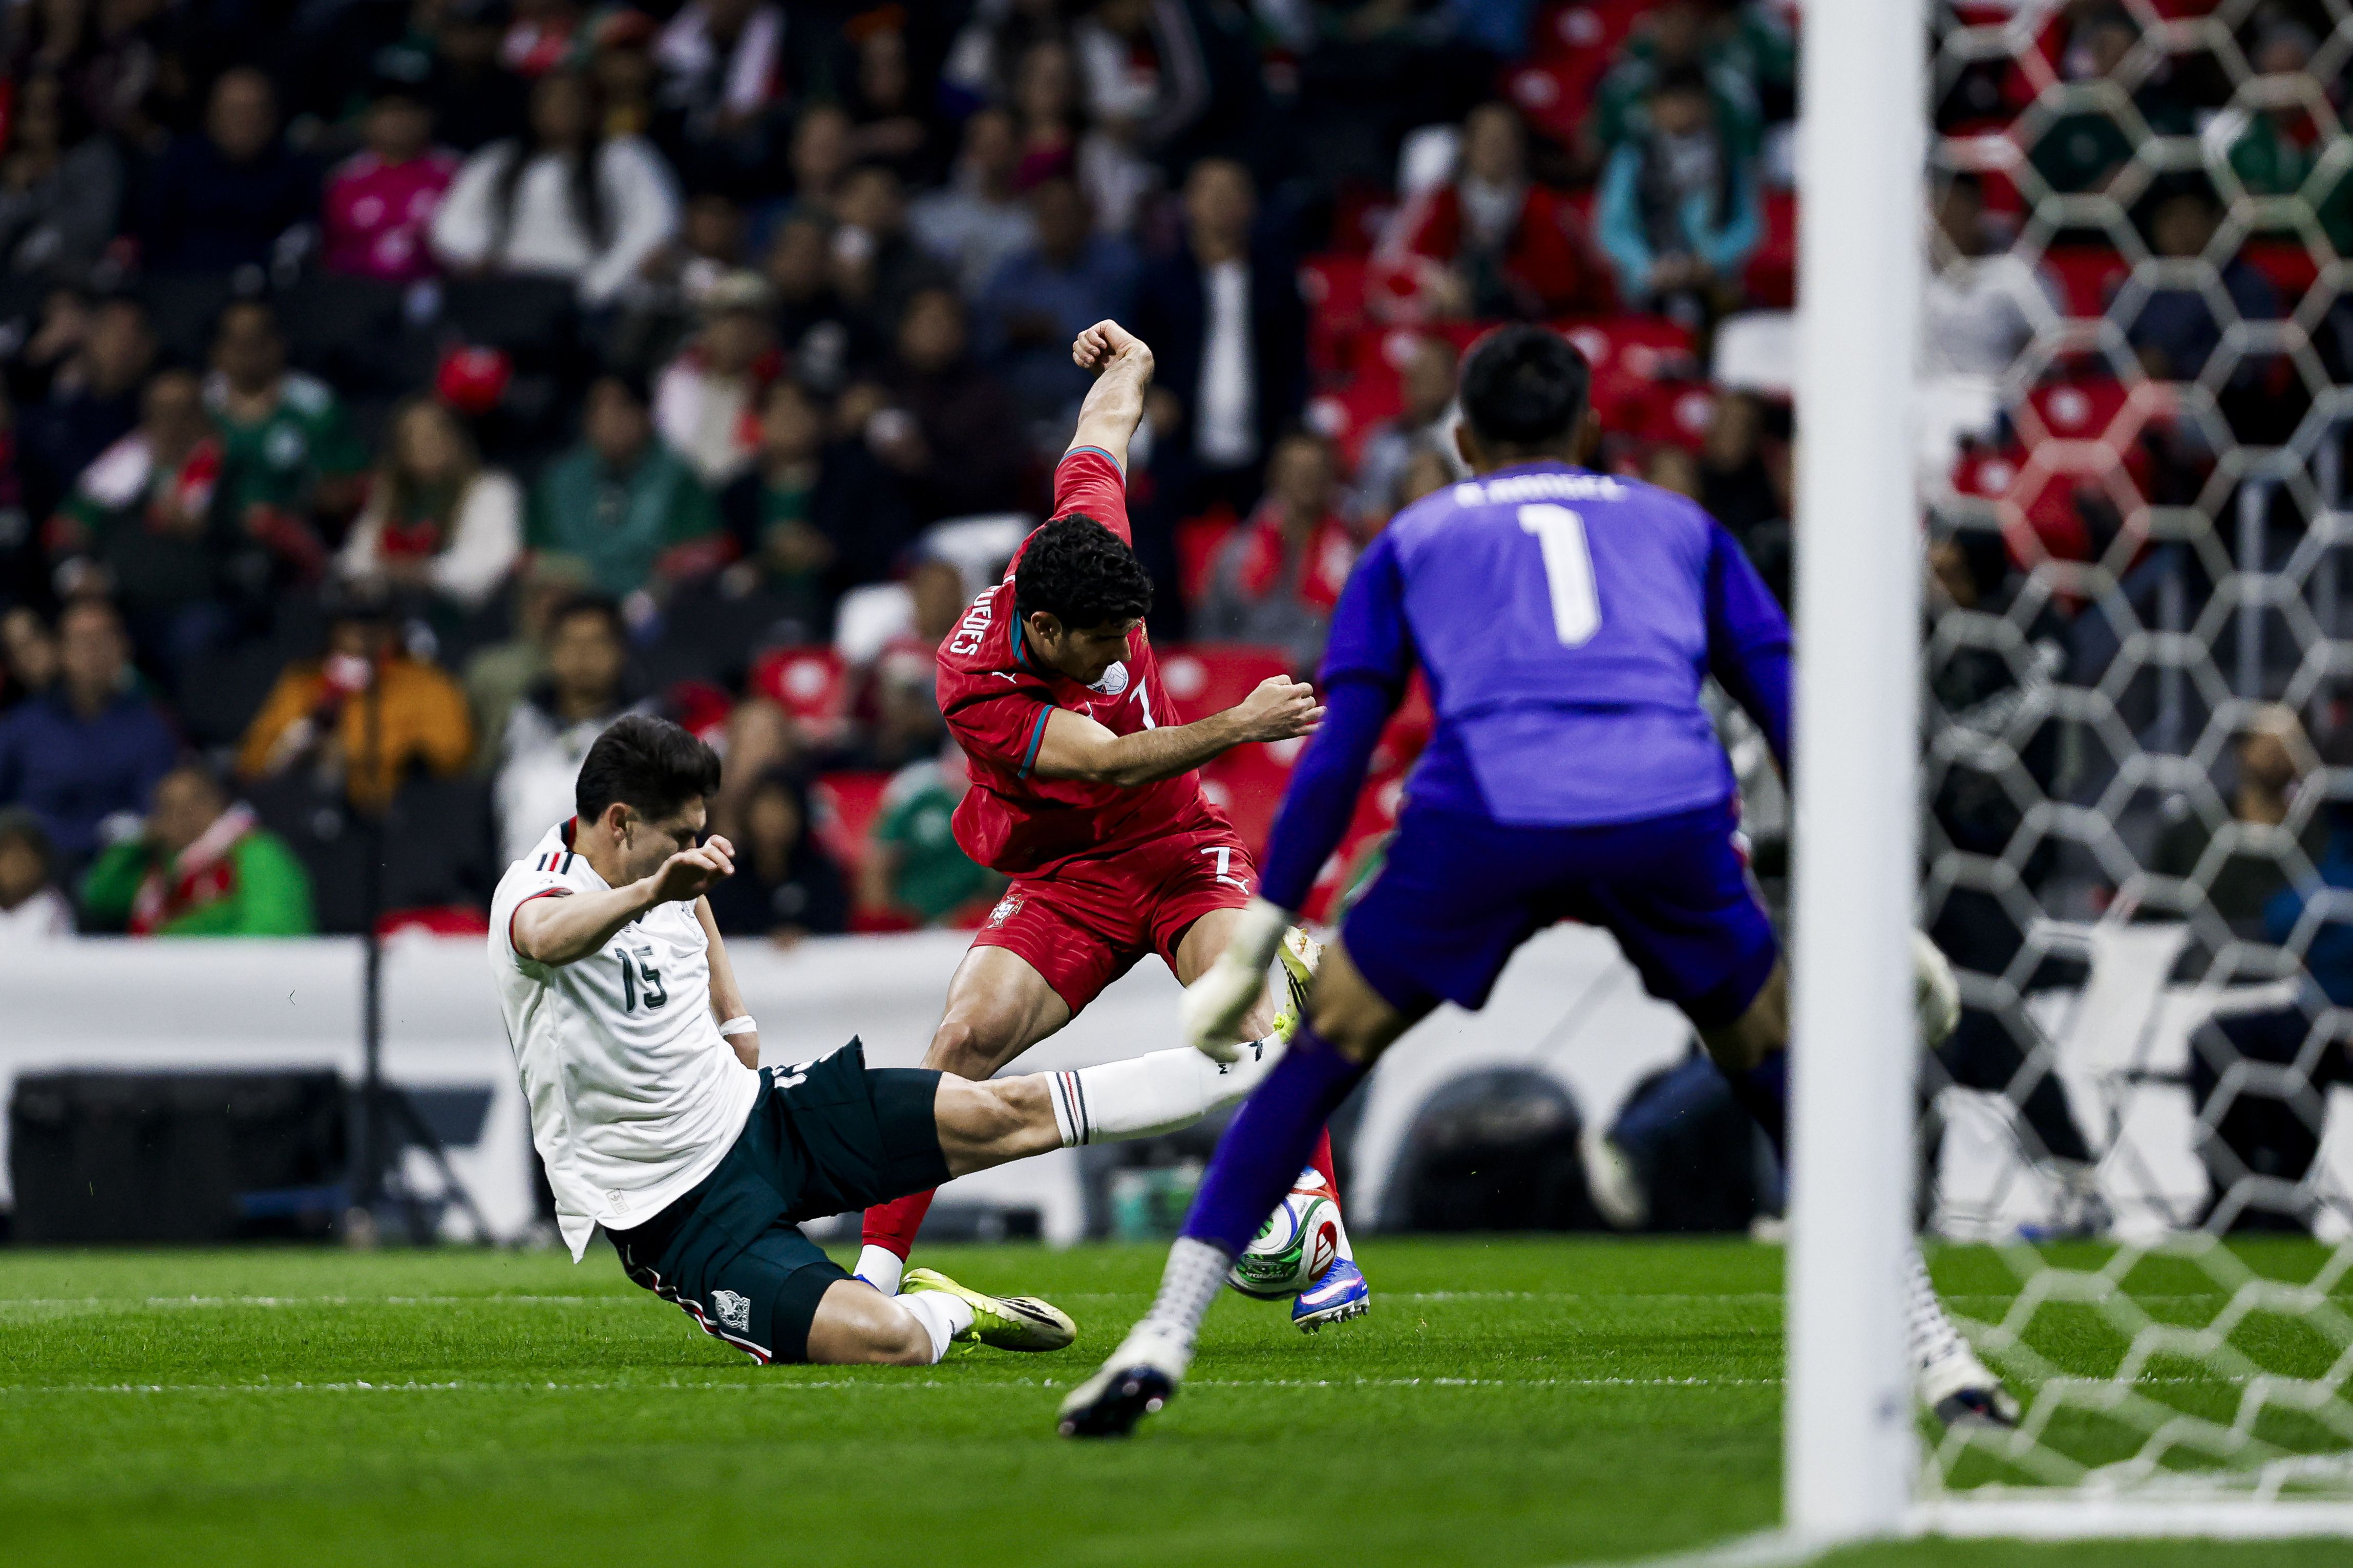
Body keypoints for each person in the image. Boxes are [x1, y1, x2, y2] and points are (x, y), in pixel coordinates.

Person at [1059, 325, 2012, 1437]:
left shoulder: (1414, 535)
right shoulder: (1682, 525)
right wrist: (1874, 910)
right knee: (1779, 1074)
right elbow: (1789, 710)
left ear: (1462, 439)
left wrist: (1267, 924)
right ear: (1591, 432)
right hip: (1663, 812)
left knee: (1316, 1058)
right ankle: (1937, 1349)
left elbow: (1338, 747)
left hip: (1485, 818)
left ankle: (1160, 1336)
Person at [490, 714, 1332, 1366]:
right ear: (617, 822)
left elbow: (692, 896)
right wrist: (659, 891)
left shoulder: (664, 866)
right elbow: (550, 937)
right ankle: (950, 1306)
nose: (693, 854)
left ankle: (1250, 1062)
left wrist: (735, 1014)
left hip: (763, 1114)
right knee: (884, 1341)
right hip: (679, 1211)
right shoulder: (534, 893)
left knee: (1001, 1110)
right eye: (678, 838)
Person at [853, 318, 1368, 1332]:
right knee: (961, 1039)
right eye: (1098, 646)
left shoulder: (1089, 550)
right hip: (1069, 877)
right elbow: (1106, 759)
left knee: (1243, 1007)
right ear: (1042, 631)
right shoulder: (974, 682)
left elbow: (1100, 434)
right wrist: (1241, 721)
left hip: (1179, 849)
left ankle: (1322, 1251)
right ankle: (872, 1272)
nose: (1117, 656)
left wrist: (1132, 362)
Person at [1131, 157, 1306, 514]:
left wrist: (1290, 430)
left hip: (1262, 452)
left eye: (1232, 191)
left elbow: (1294, 361)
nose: (1221, 201)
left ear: (1251, 203)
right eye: (1210, 191)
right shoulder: (1159, 280)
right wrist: (1149, 395)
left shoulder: (1277, 281)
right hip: (1182, 449)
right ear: (1188, 202)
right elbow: (1131, 355)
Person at [429, 69, 680, 308]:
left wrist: (602, 284)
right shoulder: (499, 160)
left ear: (593, 107)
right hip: (511, 287)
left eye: (571, 100)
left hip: (590, 290)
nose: (561, 108)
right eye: (549, 100)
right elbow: (452, 222)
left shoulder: (623, 155)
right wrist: (476, 255)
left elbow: (654, 224)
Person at [236, 586, 475, 811]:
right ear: (333, 629)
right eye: (350, 624)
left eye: (374, 625)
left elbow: (451, 757)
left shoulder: (426, 684)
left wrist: (352, 755)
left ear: (393, 630)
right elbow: (251, 761)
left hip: (391, 817)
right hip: (301, 809)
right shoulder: (304, 682)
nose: (362, 635)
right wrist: (294, 749)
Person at [0, 596, 177, 867]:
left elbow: (158, 807)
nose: (95, 651)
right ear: (61, 650)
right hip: (39, 872)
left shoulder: (150, 724)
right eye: (83, 641)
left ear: (125, 647)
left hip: (123, 870)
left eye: (106, 638)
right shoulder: (22, 726)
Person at [1389, 102, 1596, 321]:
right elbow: (1400, 262)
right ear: (1468, 146)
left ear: (1519, 147)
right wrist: (1438, 282)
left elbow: (1564, 282)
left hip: (1526, 321)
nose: (1493, 147)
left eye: (1502, 139)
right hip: (1455, 318)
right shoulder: (1441, 202)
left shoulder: (1544, 206)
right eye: (1486, 138)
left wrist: (1513, 283)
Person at [531, 373, 726, 600]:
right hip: (573, 610)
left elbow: (700, 553)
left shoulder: (680, 478)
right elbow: (536, 558)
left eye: (621, 407)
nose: (609, 419)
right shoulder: (559, 480)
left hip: (657, 609)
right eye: (598, 409)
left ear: (646, 414)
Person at [1596, 65, 1762, 332]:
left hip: (1716, 288)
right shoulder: (1631, 158)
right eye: (1672, 102)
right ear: (1654, 109)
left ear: (1708, 106)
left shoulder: (1730, 159)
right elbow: (1613, 227)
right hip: (1648, 289)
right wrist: (1646, 266)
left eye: (1690, 100)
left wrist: (1713, 259)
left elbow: (1748, 225)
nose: (1682, 110)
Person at [493, 592, 647, 865]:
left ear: (620, 652)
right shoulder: (521, 724)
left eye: (596, 642)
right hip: (520, 892)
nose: (582, 655)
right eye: (570, 643)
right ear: (551, 652)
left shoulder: (647, 729)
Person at [206, 300, 369, 554]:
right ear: (217, 351)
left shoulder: (315, 405)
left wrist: (288, 510)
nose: (249, 354)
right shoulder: (197, 407)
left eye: (258, 342)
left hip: (298, 545)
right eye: (238, 344)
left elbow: (349, 487)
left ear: (279, 344)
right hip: (211, 545)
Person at [79, 760, 314, 935]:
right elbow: (101, 897)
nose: (183, 817)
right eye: (168, 808)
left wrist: (190, 960)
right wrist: (140, 840)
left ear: (218, 802)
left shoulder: (256, 852)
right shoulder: (161, 869)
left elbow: (274, 931)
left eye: (195, 802)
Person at [338, 396, 525, 614]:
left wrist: (427, 574)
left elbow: (495, 559)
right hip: (392, 612)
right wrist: (383, 572)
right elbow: (354, 559)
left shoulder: (492, 490)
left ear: (455, 439)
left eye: (432, 436)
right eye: (412, 439)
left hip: (464, 616)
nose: (423, 446)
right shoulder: (387, 493)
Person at [1196, 428, 1357, 674]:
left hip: (1318, 686)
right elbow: (1210, 629)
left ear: (1330, 479)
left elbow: (1354, 637)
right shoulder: (1237, 552)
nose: (1307, 480)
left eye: (1315, 471)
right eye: (1296, 471)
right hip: (1244, 685)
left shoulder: (1350, 558)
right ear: (1274, 476)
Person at [136, 67, 317, 274]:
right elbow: (154, 237)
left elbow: (299, 241)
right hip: (183, 284)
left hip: (264, 290)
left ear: (273, 117)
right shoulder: (180, 164)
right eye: (234, 111)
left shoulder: (295, 171)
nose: (245, 121)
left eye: (255, 111)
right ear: (211, 116)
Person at [321, 71, 459, 284]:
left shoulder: (456, 173)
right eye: (389, 111)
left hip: (440, 291)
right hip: (356, 292)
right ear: (367, 120)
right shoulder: (344, 179)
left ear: (428, 117)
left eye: (408, 110)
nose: (398, 120)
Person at [651, 270, 777, 488]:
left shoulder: (775, 393)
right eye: (729, 321)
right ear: (708, 328)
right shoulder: (676, 382)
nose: (738, 333)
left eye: (751, 324)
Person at [862, 744, 1001, 928]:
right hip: (910, 920)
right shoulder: (925, 803)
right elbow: (879, 859)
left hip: (967, 922)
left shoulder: (995, 816)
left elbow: (997, 881)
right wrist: (883, 920)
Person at [702, 767, 847, 941]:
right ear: (748, 815)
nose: (773, 819)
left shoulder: (823, 876)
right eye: (766, 808)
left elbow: (838, 934)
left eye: (782, 808)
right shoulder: (727, 878)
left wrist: (805, 938)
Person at [909, 106, 1036, 299]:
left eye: (999, 143)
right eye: (983, 143)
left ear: (1018, 150)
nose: (991, 154)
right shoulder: (928, 215)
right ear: (968, 150)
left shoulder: (1035, 222)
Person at [0, 806, 74, 940]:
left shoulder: (51, 908)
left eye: (23, 856)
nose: (15, 865)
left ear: (41, 859)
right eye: (7, 856)